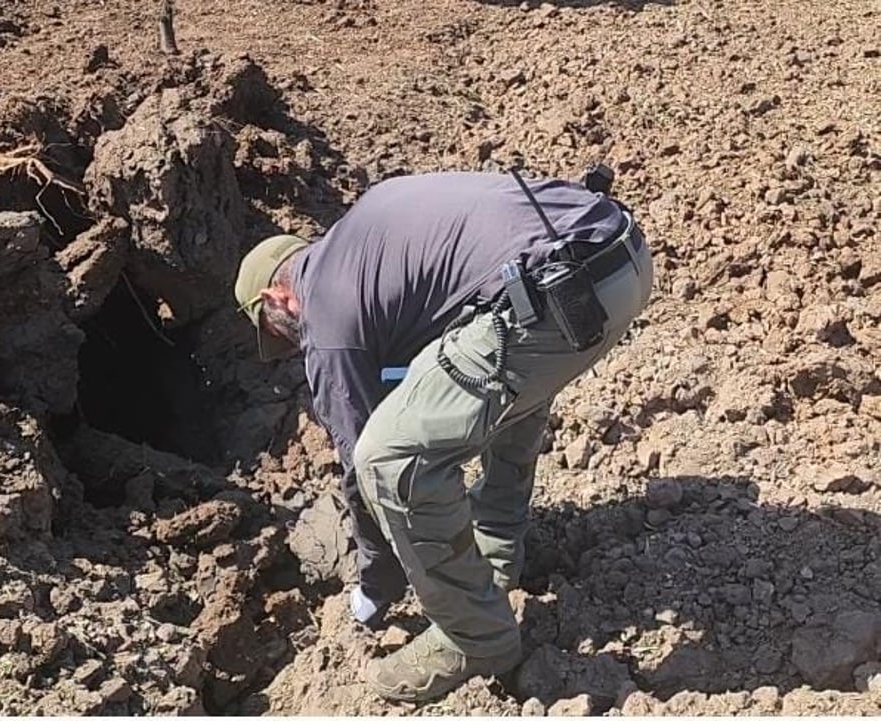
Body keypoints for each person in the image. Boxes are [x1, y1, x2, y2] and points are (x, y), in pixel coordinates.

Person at [234, 170, 653, 702]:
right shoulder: (371, 239)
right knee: (491, 368)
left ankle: (474, 638)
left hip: (561, 295)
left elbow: (365, 468)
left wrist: (375, 583)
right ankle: (497, 544)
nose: (292, 346)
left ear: (279, 297)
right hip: (619, 257)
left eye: (276, 333)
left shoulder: (325, 317)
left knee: (390, 456)